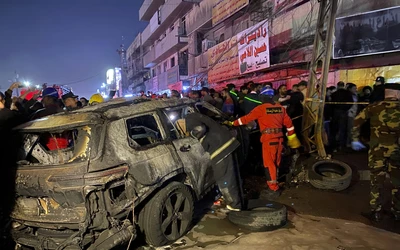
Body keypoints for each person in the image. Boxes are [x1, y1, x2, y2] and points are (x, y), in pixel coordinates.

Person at [226, 87, 301, 199]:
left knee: (268, 164)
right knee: (276, 162)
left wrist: (232, 123)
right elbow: (289, 125)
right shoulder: (280, 108)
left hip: (269, 140)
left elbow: (246, 119)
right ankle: (274, 183)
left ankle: (273, 188)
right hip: (280, 140)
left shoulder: (261, 108)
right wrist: (292, 138)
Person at [351, 83, 400, 222]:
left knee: (376, 180)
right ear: (396, 94)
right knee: (397, 181)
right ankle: (397, 211)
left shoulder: (374, 107)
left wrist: (356, 139)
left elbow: (356, 122)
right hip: (397, 151)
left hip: (377, 150)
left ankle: (376, 211)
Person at [177, 113, 242, 211]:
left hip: (220, 148)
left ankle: (234, 206)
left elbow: (200, 129)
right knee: (232, 175)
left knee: (224, 177)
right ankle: (237, 200)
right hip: (226, 143)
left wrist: (191, 135)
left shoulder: (189, 120)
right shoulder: (194, 116)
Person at [328, 81, 353, 151]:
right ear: (343, 85)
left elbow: (331, 105)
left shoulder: (334, 94)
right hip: (344, 112)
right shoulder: (348, 93)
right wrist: (345, 108)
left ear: (337, 86)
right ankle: (341, 145)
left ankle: (333, 145)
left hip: (335, 112)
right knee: (342, 129)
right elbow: (351, 103)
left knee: (334, 129)